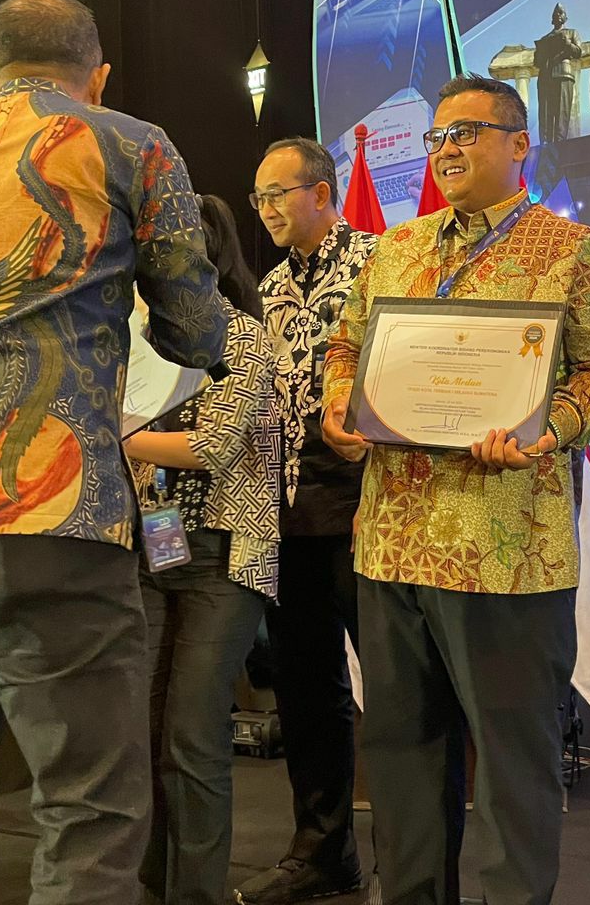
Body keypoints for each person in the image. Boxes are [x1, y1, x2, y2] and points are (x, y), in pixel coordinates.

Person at [0, 0, 228, 905]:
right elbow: (195, 328)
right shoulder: (131, 143)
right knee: (88, 808)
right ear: (98, 76)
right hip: (50, 510)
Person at [322, 74, 590, 905]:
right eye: (438, 136)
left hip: (508, 552)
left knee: (511, 765)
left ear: (519, 143)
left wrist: (548, 428)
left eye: (467, 132)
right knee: (402, 757)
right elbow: (345, 348)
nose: (447, 148)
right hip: (392, 543)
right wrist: (339, 405)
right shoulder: (396, 247)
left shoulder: (571, 251)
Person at [125, 194, 281, 905]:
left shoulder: (244, 337)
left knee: (191, 735)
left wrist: (117, 433)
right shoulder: (133, 336)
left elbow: (213, 446)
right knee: (144, 732)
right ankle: (152, 888)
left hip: (226, 555)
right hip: (150, 551)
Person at [234, 138, 376, 905]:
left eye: (277, 193)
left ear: (322, 193)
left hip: (369, 512)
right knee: (306, 693)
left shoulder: (380, 263)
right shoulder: (269, 288)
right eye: (257, 198)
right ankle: (322, 852)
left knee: (397, 689)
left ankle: (418, 863)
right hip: (289, 517)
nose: (265, 209)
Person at [533, 3, 582, 144]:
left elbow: (578, 52)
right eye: (556, 13)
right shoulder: (545, 38)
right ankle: (545, 143)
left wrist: (567, 43)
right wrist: (539, 53)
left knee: (562, 112)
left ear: (566, 17)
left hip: (563, 75)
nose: (558, 15)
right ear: (552, 18)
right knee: (545, 113)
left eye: (561, 13)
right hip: (545, 76)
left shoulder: (572, 33)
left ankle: (561, 143)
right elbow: (537, 62)